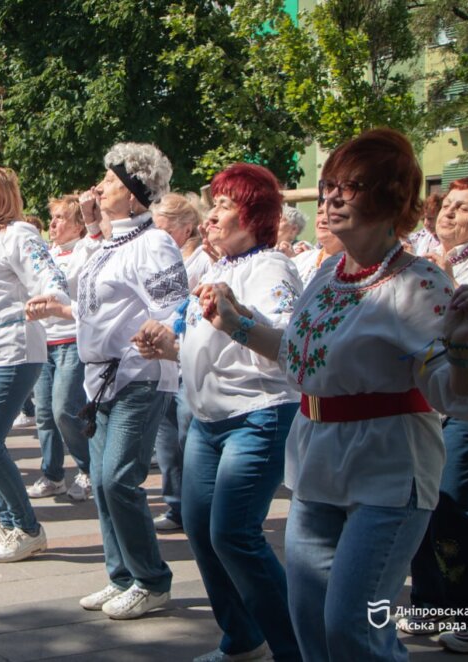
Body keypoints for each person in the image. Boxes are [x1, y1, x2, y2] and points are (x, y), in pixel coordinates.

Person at [175, 129, 468, 661]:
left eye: (349, 187)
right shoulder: (328, 273)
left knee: (352, 628)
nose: (330, 199)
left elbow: (465, 397)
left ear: (390, 196)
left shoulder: (420, 284)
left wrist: (463, 349)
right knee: (311, 626)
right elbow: (301, 358)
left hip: (388, 469)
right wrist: (235, 324)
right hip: (317, 463)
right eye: (328, 186)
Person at [139, 164, 304, 660]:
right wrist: (167, 346)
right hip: (210, 420)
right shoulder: (218, 268)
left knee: (233, 533)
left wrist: (238, 319)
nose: (211, 216)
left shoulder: (270, 267)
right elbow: (207, 343)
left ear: (254, 216)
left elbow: (285, 342)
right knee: (201, 527)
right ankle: (243, 639)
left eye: (224, 206)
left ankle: (297, 646)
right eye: (212, 206)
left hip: (258, 414)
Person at [28, 143, 188, 619]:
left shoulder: (153, 242)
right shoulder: (106, 245)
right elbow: (100, 308)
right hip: (101, 381)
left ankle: (152, 580)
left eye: (112, 180)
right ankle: (122, 577)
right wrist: (63, 309)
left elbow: (176, 306)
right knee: (100, 482)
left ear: (135, 195)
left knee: (119, 478)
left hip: (140, 376)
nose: (100, 186)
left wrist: (163, 331)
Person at [399, 176, 468, 652]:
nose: (449, 213)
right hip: (428, 398)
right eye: (447, 205)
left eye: (465, 209)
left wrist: (450, 285)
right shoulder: (427, 258)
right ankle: (430, 605)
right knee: (423, 500)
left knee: (453, 503)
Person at [0, 165, 69, 562]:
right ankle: (7, 524)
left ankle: (28, 528)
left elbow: (48, 275)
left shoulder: (19, 234)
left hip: (12, 348)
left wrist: (50, 297)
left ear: (2, 197)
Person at [26, 194, 98, 502]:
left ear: (79, 225)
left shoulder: (86, 249)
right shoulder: (46, 253)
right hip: (44, 340)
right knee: (43, 413)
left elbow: (97, 242)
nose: (52, 223)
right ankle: (52, 474)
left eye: (61, 218)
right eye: (51, 217)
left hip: (71, 338)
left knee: (64, 411)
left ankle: (90, 469)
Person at [150, 192, 214, 532]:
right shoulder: (161, 258)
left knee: (190, 434)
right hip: (164, 361)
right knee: (167, 439)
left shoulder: (202, 259)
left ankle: (199, 507)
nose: (156, 235)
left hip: (188, 359)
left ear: (185, 228)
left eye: (162, 228)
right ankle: (175, 505)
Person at [291, 203, 344, 287]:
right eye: (320, 212)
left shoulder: (354, 267)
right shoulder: (302, 259)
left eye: (333, 214)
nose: (323, 220)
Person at [409, 191, 443, 256]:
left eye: (430, 218)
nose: (425, 223)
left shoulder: (451, 241)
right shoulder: (422, 236)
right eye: (423, 219)